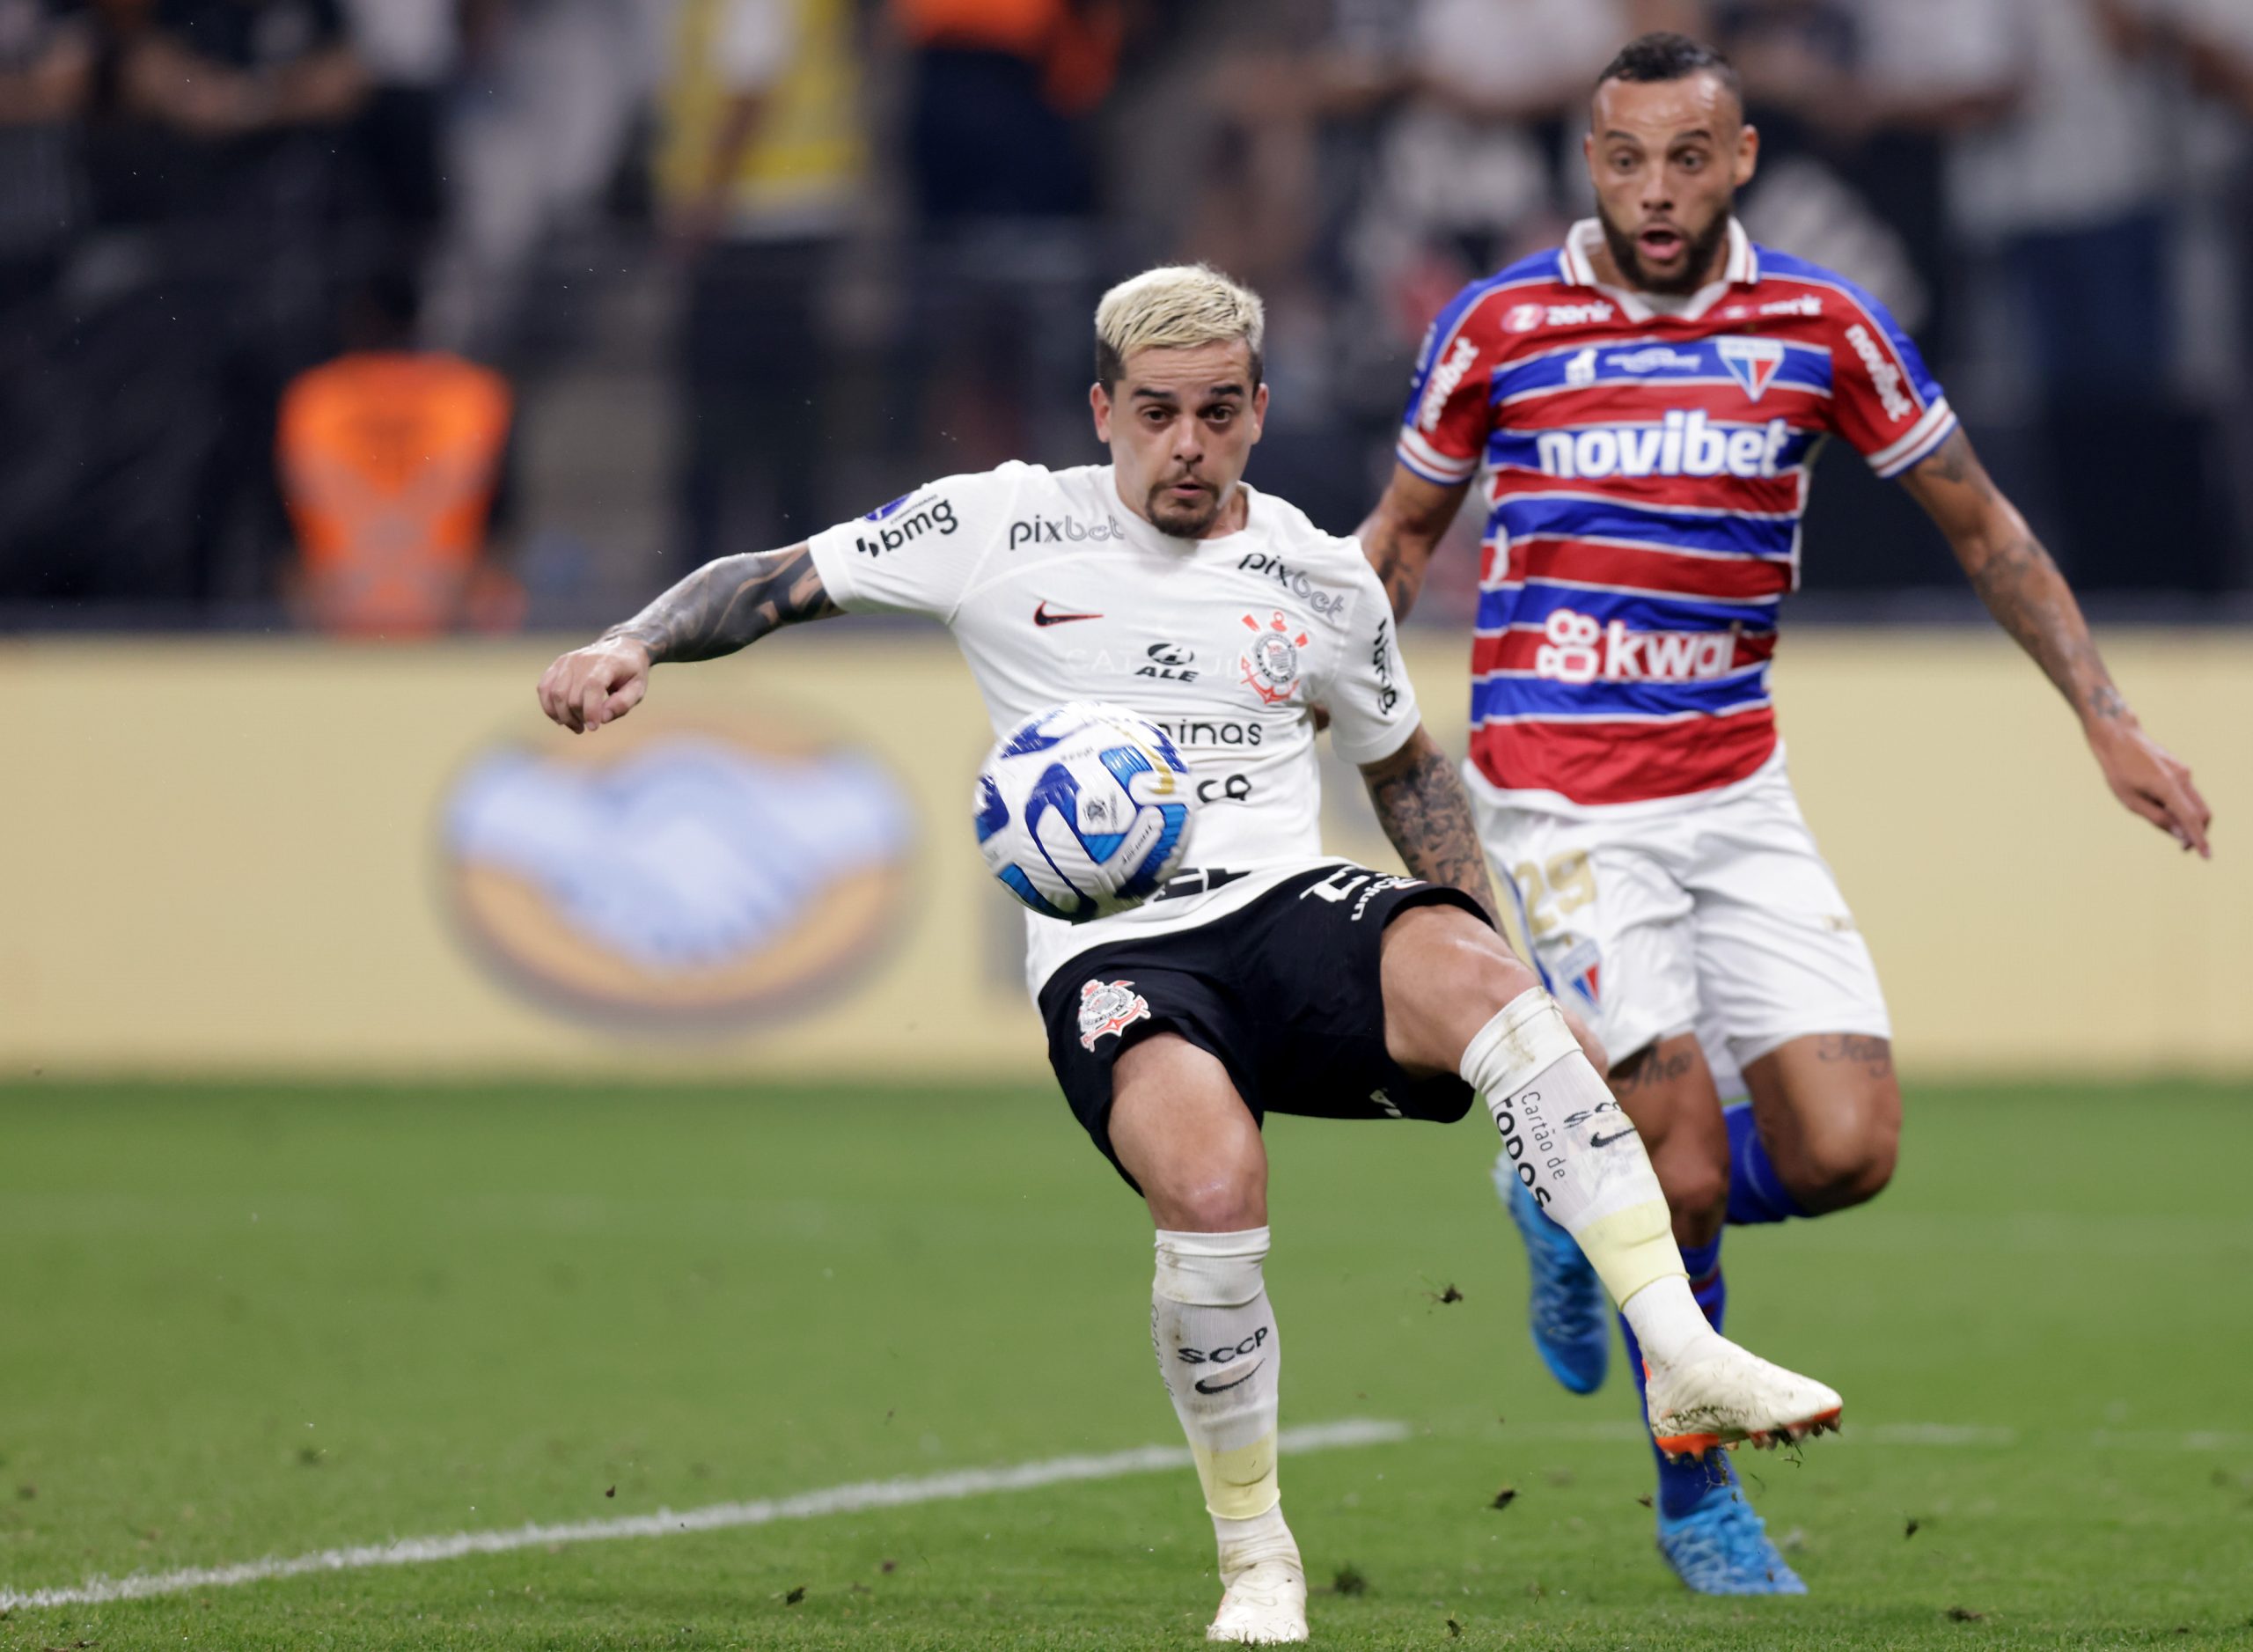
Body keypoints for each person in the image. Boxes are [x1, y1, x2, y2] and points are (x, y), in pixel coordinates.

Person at [536, 264, 1844, 1643]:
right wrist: (634, 643)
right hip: (1122, 949)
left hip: (1284, 901)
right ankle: (1257, 1560)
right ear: (1103, 408)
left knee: (1497, 996)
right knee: (1214, 1180)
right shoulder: (997, 522)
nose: (1187, 443)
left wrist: (1489, 949)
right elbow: (776, 579)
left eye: (1219, 412)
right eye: (1156, 413)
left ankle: (1684, 1357)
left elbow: (1406, 771)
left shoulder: (1323, 576)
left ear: (1261, 410)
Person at [1354, 32, 2213, 1597]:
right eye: (1626, 158)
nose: (1656, 189)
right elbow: (1399, 543)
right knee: (1674, 1166)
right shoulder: (1501, 327)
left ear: (1740, 158)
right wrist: (1313, 669)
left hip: (1736, 788)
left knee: (1845, 1150)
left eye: (1689, 158)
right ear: (1589, 160)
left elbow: (1984, 526)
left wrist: (2107, 718)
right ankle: (1698, 1498)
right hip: (1556, 798)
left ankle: (1562, 1189)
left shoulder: (1821, 327)